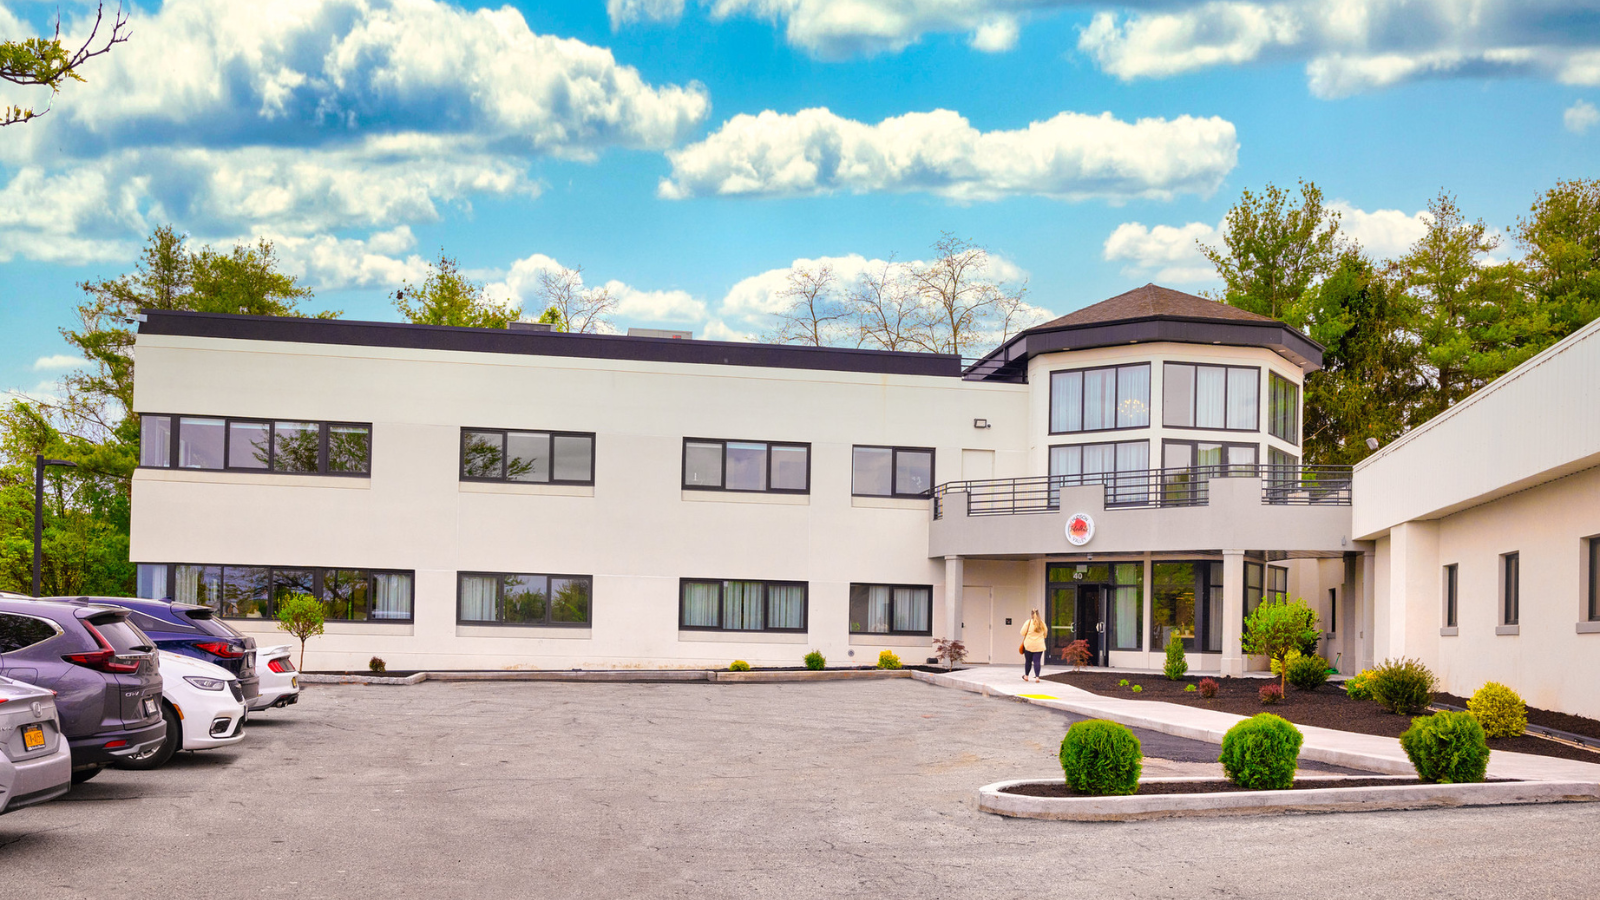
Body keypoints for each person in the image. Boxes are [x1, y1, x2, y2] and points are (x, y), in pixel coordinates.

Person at [1020, 610, 1047, 683]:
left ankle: (1026, 676)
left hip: (1029, 644)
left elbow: (1022, 633)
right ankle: (1037, 677)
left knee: (1028, 661)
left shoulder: (1028, 622)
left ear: (1031, 614)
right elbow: (1045, 634)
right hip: (1039, 645)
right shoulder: (1042, 623)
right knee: (1037, 661)